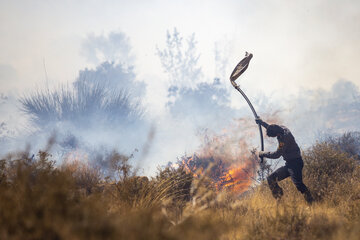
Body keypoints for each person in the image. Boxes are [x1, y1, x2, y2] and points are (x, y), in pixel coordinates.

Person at [255, 117, 314, 204]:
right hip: (289, 164)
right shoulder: (281, 128)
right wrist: (262, 123)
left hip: (295, 164)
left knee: (298, 184)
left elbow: (277, 155)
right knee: (271, 179)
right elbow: (272, 127)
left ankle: (311, 202)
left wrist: (263, 153)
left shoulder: (284, 139)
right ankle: (279, 199)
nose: (275, 138)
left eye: (275, 136)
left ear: (278, 134)